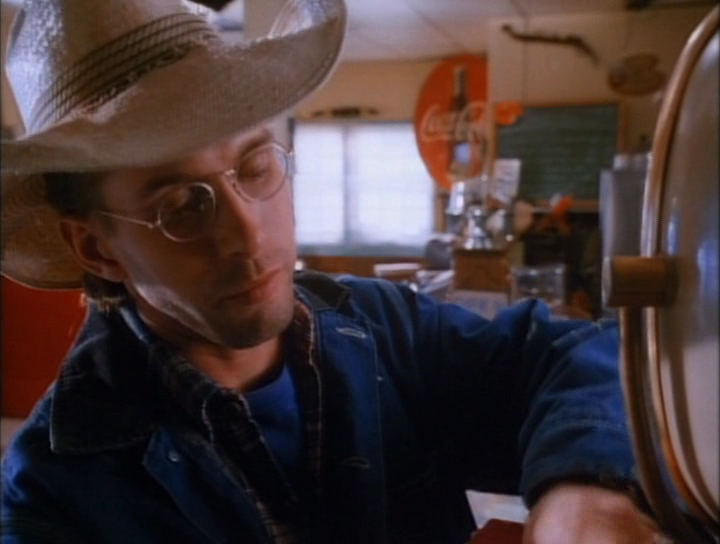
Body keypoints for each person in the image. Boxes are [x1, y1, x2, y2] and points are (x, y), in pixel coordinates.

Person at [0, 0, 669, 543]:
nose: (249, 233)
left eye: (256, 166)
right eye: (180, 205)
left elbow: (576, 354)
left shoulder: (385, 330)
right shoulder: (53, 493)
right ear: (98, 248)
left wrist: (586, 489)